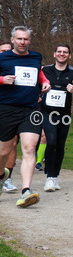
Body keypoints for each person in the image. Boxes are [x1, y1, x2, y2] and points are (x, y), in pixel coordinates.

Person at [0, 27, 52, 207]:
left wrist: (45, 82)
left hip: (31, 109)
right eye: (19, 39)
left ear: (29, 40)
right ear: (12, 40)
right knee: (4, 152)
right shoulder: (3, 58)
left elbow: (39, 74)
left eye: (26, 39)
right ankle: (2, 175)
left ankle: (26, 191)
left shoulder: (36, 57)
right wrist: (2, 80)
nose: (22, 42)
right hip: (7, 109)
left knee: (29, 149)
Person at [41, 44, 73, 190]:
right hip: (47, 112)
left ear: (69, 55)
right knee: (51, 141)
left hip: (64, 115)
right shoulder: (45, 70)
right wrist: (40, 94)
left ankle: (55, 176)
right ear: (54, 54)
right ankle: (49, 177)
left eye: (65, 52)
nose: (62, 54)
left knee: (60, 145)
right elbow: (36, 87)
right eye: (59, 51)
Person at [0, 42, 17, 193]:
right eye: (2, 51)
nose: (5, 53)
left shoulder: (16, 68)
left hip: (10, 110)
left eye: (8, 50)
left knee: (12, 143)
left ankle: (7, 179)